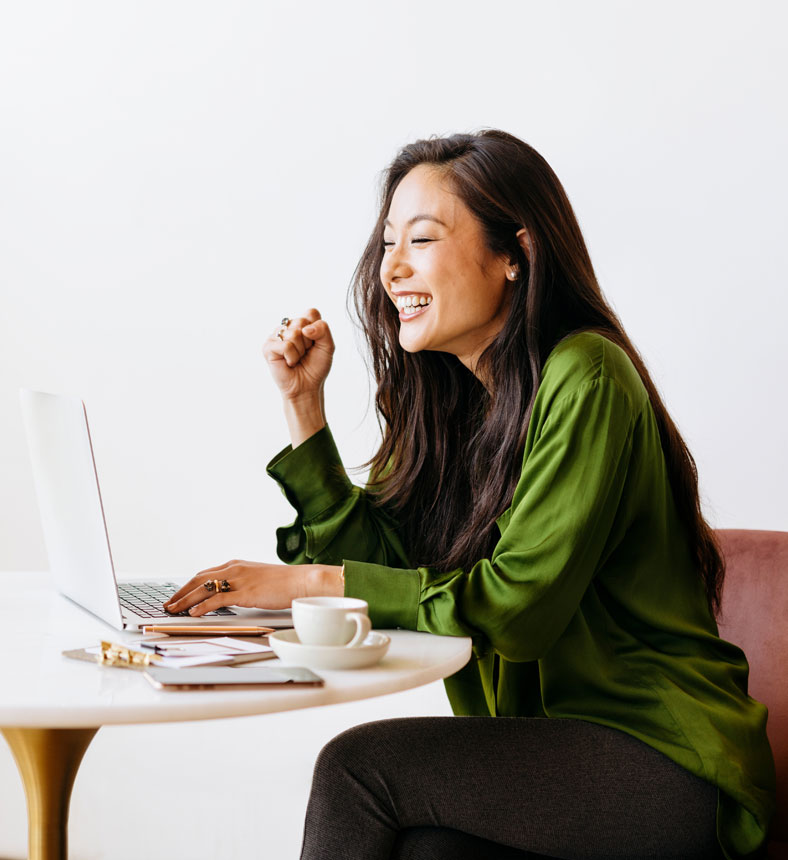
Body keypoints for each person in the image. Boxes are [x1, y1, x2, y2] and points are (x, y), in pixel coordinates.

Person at [164, 130, 775, 859]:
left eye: (420, 239)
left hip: (665, 762)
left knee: (357, 770)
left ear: (514, 253)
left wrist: (303, 582)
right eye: (388, 242)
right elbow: (387, 571)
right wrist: (305, 411)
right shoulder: (457, 404)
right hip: (547, 754)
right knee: (428, 848)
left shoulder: (588, 376)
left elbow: (516, 610)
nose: (392, 269)